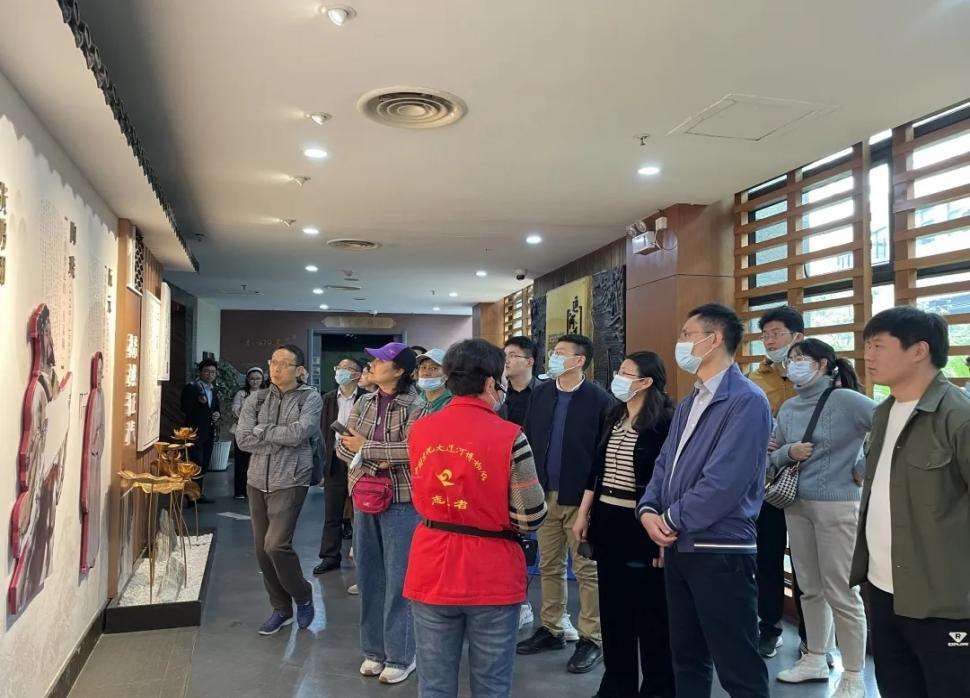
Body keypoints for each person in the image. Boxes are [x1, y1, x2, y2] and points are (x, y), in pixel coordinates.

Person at [637, 303, 772, 698]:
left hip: (721, 549)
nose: (680, 342)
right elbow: (665, 463)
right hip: (680, 545)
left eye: (687, 335)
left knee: (738, 664)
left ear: (714, 340)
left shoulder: (747, 400)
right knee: (687, 657)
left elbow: (725, 482)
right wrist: (648, 510)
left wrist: (669, 519)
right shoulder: (691, 400)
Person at [405, 339, 548, 698]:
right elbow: (530, 516)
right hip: (491, 571)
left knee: (433, 684)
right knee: (491, 685)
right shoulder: (510, 436)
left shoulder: (420, 430)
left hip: (431, 563)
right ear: (489, 383)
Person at [851, 307, 970, 698]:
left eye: (878, 346)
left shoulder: (958, 416)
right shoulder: (883, 413)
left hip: (944, 600)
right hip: (884, 590)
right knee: (896, 687)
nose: (868, 355)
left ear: (919, 350)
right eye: (868, 346)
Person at [770, 339, 874, 698]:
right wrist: (789, 451)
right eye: (791, 359)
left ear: (824, 364)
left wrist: (862, 467)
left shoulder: (846, 399)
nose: (794, 364)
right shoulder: (788, 407)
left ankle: (854, 674)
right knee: (810, 588)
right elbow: (773, 453)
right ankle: (815, 656)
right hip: (796, 503)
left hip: (838, 505)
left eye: (802, 358)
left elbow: (889, 428)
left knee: (842, 591)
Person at [573, 351, 676, 698]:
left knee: (651, 614)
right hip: (608, 520)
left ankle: (658, 688)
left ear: (645, 382)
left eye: (626, 373)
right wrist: (583, 512)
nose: (618, 377)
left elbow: (669, 482)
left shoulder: (664, 422)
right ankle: (617, 686)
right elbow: (596, 469)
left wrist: (663, 535)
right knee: (614, 611)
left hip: (643, 524)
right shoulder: (614, 414)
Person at [517, 334, 615, 674]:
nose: (553, 357)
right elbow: (529, 437)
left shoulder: (600, 399)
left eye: (560, 352)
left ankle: (593, 638)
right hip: (544, 494)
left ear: (579, 360)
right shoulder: (542, 393)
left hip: (581, 498)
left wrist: (593, 501)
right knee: (549, 565)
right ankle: (553, 627)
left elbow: (603, 453)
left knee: (587, 570)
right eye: (554, 351)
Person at [335, 342, 420, 685]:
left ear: (398, 370)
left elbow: (414, 450)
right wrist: (376, 458)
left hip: (402, 500)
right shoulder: (364, 401)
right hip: (364, 495)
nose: (371, 364)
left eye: (380, 360)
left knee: (399, 579)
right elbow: (343, 446)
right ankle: (373, 651)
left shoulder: (417, 405)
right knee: (369, 575)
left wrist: (365, 448)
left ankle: (401, 655)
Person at [235, 345, 323, 635]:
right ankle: (281, 609)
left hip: (291, 478)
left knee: (276, 545)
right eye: (274, 362)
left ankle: (303, 594)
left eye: (285, 363)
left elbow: (300, 433)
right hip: (256, 479)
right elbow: (243, 439)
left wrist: (263, 432)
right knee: (262, 552)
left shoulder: (310, 398)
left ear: (299, 369)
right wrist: (277, 439)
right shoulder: (257, 398)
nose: (276, 368)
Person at [747, 306, 815, 658]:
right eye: (765, 335)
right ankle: (769, 626)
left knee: (807, 565)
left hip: (814, 482)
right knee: (768, 557)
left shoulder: (822, 373)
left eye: (776, 333)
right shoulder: (754, 380)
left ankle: (812, 637)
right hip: (770, 482)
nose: (769, 341)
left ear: (797, 335)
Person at [313, 357, 366, 575]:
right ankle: (329, 556)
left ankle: (363, 557)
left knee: (361, 513)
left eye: (346, 368)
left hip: (360, 460)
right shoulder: (327, 399)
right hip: (334, 460)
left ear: (357, 374)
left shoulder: (366, 398)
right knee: (332, 513)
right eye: (339, 368)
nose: (341, 372)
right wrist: (321, 465)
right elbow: (320, 433)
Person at [180, 358, 221, 503]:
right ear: (200, 372)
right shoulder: (192, 387)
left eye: (213, 372)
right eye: (207, 371)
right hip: (194, 432)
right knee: (195, 462)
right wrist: (198, 402)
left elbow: (215, 407)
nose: (210, 375)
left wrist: (217, 413)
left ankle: (198, 493)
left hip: (208, 431)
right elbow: (184, 407)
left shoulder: (214, 389)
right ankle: (191, 495)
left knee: (204, 462)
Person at [230, 367, 265, 500]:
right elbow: (235, 410)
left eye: (258, 379)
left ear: (262, 379)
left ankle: (257, 491)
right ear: (247, 380)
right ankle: (240, 490)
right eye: (252, 379)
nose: (255, 381)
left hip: (260, 432)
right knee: (242, 462)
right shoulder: (241, 393)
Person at [502, 336, 544, 427]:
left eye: (512, 356)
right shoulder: (498, 392)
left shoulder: (544, 392)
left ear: (529, 362)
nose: (506, 361)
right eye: (504, 356)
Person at [412, 348, 453, 417]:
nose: (426, 373)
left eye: (433, 368)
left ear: (446, 375)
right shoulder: (414, 399)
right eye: (423, 367)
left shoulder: (452, 402)